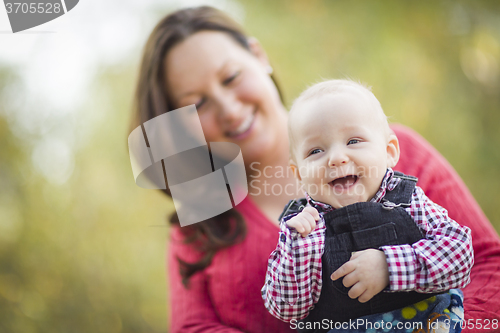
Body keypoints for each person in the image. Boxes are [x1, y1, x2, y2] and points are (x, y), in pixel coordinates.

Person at [130, 6, 500, 333]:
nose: (229, 108)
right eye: (198, 104)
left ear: (258, 55)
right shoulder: (201, 217)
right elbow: (193, 327)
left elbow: (486, 263)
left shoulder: (394, 154)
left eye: (231, 78)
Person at [261, 79, 473, 332]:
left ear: (389, 151)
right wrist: (297, 249)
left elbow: (460, 256)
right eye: (316, 151)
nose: (337, 158)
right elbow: (286, 309)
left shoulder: (409, 201)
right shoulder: (302, 229)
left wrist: (389, 266)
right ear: (298, 174)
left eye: (353, 141)